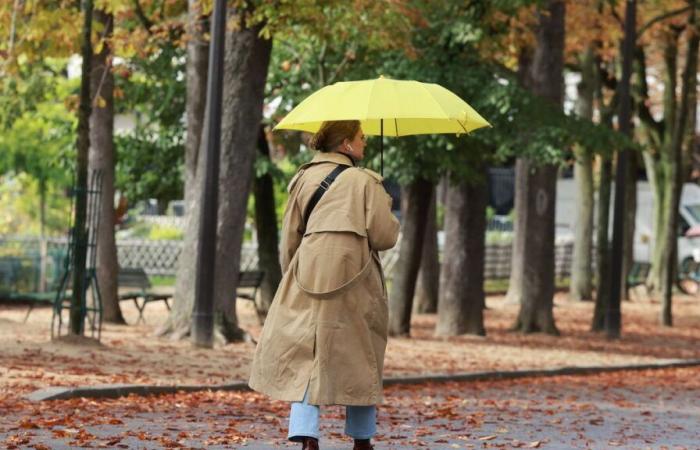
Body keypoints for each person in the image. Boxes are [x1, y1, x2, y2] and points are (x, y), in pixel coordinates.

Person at [249, 120, 400, 450]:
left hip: (308, 273)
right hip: (355, 276)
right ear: (346, 144)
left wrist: (295, 274)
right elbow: (384, 237)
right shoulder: (365, 181)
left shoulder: (304, 178)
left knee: (307, 352)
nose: (365, 143)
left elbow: (290, 236)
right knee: (361, 353)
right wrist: (384, 203)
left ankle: (307, 436)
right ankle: (362, 440)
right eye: (361, 138)